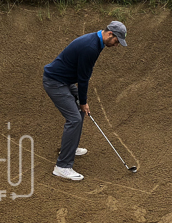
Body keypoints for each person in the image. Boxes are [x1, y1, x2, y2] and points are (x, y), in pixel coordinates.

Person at [43, 20, 127, 181]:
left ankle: (70, 147)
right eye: (117, 41)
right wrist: (83, 101)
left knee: (79, 113)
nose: (117, 45)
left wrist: (82, 103)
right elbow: (83, 79)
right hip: (55, 82)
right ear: (110, 34)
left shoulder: (96, 42)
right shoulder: (90, 47)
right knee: (74, 119)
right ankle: (62, 167)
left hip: (64, 81)